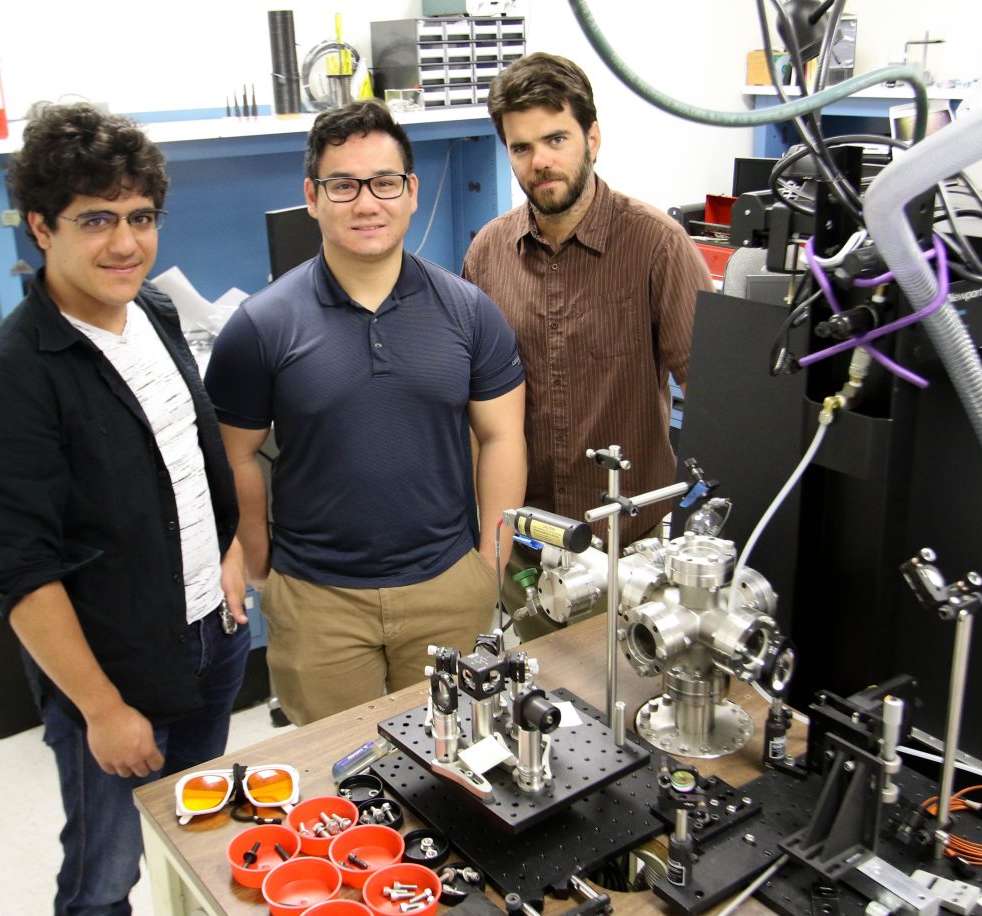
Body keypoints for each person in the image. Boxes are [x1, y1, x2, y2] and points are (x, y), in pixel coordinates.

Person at [0, 103, 249, 916]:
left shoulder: (152, 312)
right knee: (104, 874)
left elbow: (187, 460)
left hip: (210, 638)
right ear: (42, 227)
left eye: (141, 217)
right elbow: (20, 569)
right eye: (97, 220)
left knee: (197, 842)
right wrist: (102, 707)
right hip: (116, 672)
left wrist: (228, 550)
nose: (125, 243)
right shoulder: (5, 379)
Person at [205, 99, 526, 726]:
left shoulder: (469, 312)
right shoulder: (260, 326)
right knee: (341, 784)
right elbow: (234, 453)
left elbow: (502, 435)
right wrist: (262, 566)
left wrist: (491, 560)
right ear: (312, 196)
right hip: (319, 601)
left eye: (383, 182)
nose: (365, 202)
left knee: (451, 764)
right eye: (342, 185)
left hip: (447, 589)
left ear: (410, 192)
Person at [462, 52, 712, 641]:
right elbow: (473, 410)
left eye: (556, 138)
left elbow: (715, 392)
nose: (539, 161)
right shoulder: (488, 254)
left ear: (592, 137)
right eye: (520, 148)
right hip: (528, 545)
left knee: (627, 708)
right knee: (538, 710)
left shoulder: (657, 246)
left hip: (632, 549)